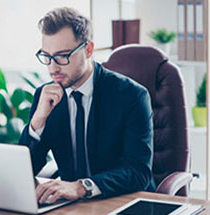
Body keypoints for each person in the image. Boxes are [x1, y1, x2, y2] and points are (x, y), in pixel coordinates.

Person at [19, 7, 156, 204]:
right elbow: (26, 170)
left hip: (123, 203)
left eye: (62, 56)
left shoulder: (131, 95)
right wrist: (37, 122)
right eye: (46, 56)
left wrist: (82, 186)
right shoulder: (45, 96)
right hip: (70, 208)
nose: (53, 67)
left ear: (88, 50)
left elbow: (138, 172)